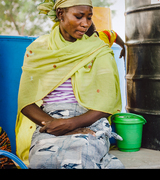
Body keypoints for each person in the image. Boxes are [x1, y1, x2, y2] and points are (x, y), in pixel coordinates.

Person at [15, 0, 124, 169]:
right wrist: (55, 124)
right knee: (42, 160)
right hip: (50, 120)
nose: (85, 24)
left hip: (89, 118)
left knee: (80, 159)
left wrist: (73, 124)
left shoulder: (99, 49)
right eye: (79, 17)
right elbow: (26, 101)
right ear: (60, 14)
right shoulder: (39, 49)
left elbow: (107, 102)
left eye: (89, 17)